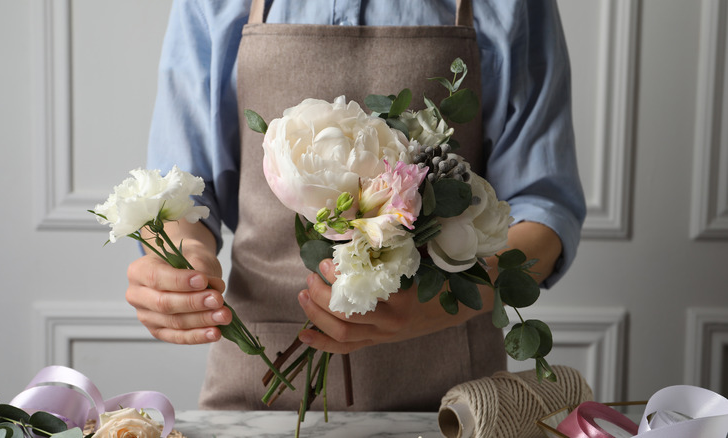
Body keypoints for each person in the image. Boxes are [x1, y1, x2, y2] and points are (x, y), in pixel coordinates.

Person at [126, 0, 586, 411]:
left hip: (454, 401)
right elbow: (180, 193)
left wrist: (442, 302)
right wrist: (183, 263)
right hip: (256, 391)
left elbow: (543, 209)